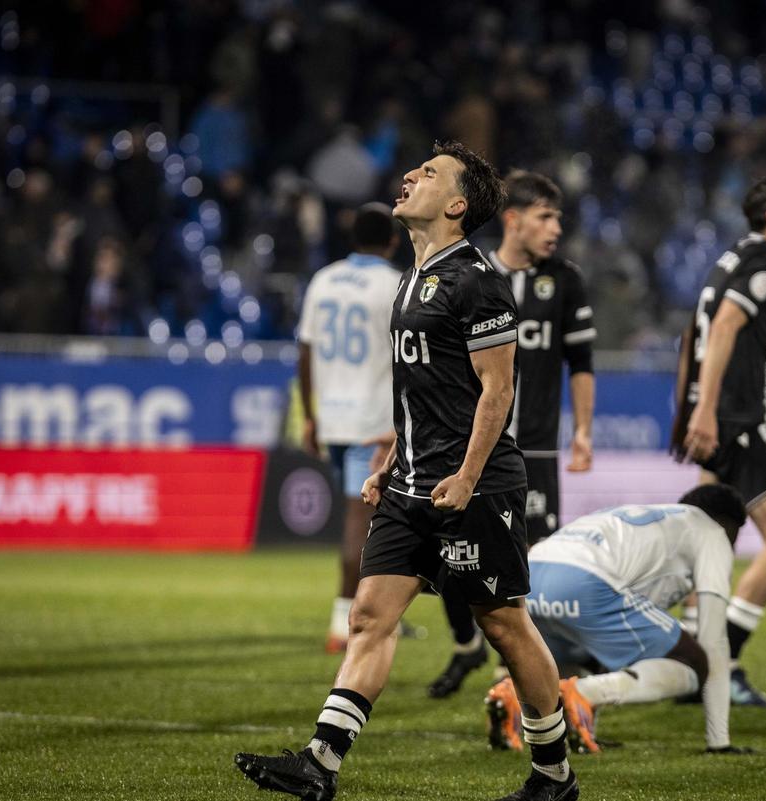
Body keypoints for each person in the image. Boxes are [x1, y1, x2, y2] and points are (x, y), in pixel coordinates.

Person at [235, 141, 578, 801]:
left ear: (455, 204)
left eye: (428, 174)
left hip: (472, 487)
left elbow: (497, 390)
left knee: (504, 622)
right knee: (369, 613)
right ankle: (320, 763)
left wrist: (469, 476)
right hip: (411, 484)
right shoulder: (413, 276)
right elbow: (427, 384)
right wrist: (393, 450)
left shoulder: (478, 280)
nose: (409, 177)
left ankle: (553, 775)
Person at [428, 170, 596, 698]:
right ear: (514, 219)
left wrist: (584, 432)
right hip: (468, 446)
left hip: (535, 448)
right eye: (545, 217)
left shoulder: (564, 280)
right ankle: (468, 647)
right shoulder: (471, 275)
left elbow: (581, 362)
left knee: (535, 562)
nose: (555, 228)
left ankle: (519, 675)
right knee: (450, 558)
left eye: (559, 218)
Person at [671, 175, 766, 706]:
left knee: (712, 543)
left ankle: (688, 663)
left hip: (719, 419)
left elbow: (692, 335)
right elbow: (726, 326)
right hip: (740, 421)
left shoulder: (730, 258)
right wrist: (705, 410)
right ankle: (720, 663)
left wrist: (686, 411)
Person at [484, 485, 748, 756]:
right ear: (728, 526)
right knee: (693, 661)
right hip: (583, 580)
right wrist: (720, 742)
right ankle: (586, 694)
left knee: (585, 657)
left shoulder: (655, 518)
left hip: (533, 574)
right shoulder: (713, 532)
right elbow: (713, 639)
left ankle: (513, 699)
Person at [296, 204, 402, 653]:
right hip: (372, 422)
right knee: (360, 523)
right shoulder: (394, 284)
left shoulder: (323, 280)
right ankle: (345, 622)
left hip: (333, 417)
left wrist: (309, 414)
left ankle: (377, 612)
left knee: (367, 520)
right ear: (393, 240)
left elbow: (305, 350)